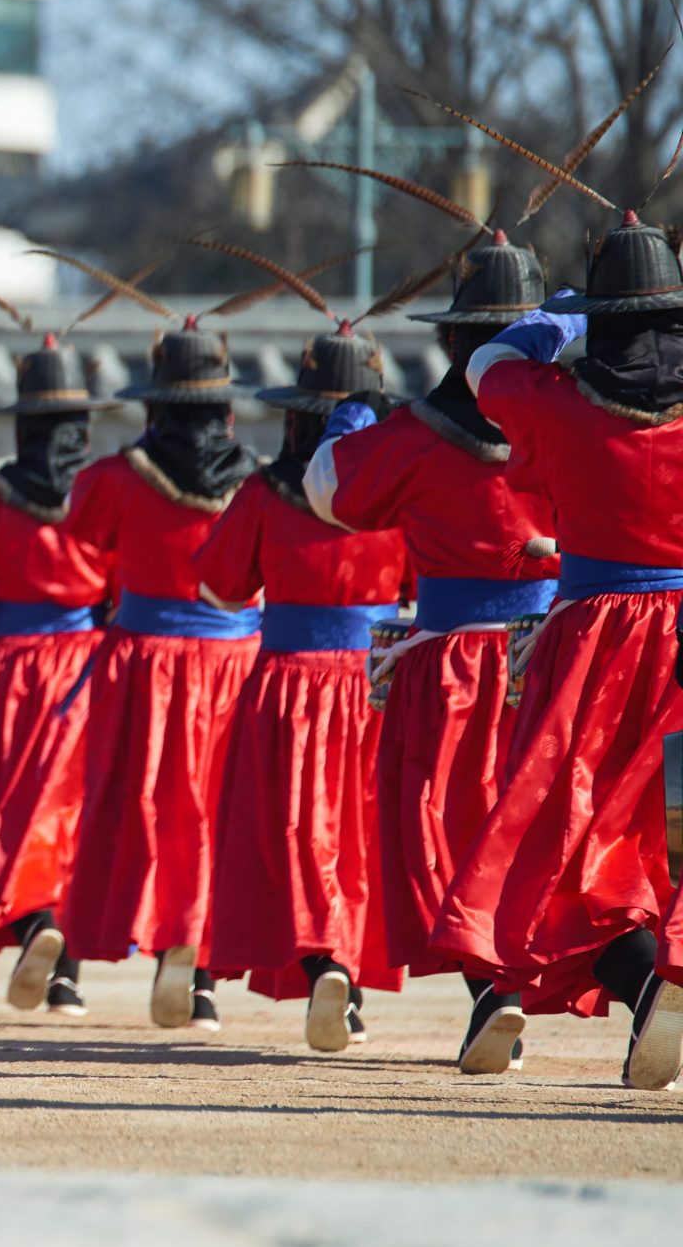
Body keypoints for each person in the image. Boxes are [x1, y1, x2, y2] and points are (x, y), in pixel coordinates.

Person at [431, 215, 683, 1089]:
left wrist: (562, 314)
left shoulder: (557, 400)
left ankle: (642, 977)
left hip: (596, 647)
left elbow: (485, 364)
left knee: (566, 841)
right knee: (667, 838)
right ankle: (658, 972)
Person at [303, 235, 556, 1073]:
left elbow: (330, 491)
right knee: (549, 828)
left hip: (449, 664)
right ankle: (632, 985)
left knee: (439, 829)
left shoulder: (412, 437)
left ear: (452, 340)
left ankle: (491, 987)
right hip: (557, 659)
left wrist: (351, 418)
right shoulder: (572, 421)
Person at [198, 325, 408, 1051]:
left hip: (289, 683)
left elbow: (222, 588)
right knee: (361, 833)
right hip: (376, 682)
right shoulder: (398, 492)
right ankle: (346, 974)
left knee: (296, 829)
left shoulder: (264, 492)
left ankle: (325, 961)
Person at [59, 325, 261, 1032]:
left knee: (132, 804)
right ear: (224, 409)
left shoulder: (113, 480)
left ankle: (92, 953)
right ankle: (198, 967)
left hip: (143, 663)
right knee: (214, 812)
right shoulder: (258, 484)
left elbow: (83, 537)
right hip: (235, 666)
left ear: (155, 404)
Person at [0, 337, 115, 1017]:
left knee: (5, 812)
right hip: (90, 675)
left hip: (9, 674)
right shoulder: (107, 495)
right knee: (76, 818)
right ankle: (67, 976)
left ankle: (37, 925)